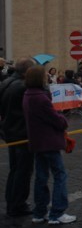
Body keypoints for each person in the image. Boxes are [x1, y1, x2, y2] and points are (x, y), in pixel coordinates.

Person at [23, 66, 76, 225]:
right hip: (49, 142)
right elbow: (56, 119)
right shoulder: (40, 98)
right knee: (59, 175)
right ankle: (57, 212)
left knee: (41, 177)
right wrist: (63, 121)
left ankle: (39, 212)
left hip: (37, 142)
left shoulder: (27, 95)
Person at [0, 57, 36, 217]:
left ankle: (12, 201)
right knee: (23, 171)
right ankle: (18, 204)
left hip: (10, 132)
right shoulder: (22, 87)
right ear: (28, 71)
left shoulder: (6, 83)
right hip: (22, 133)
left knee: (15, 170)